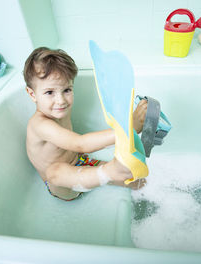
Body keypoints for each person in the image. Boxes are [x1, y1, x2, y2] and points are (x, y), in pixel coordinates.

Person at [23, 47, 148, 201]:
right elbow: (80, 144)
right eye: (50, 92)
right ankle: (109, 172)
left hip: (82, 163)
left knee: (137, 181)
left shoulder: (56, 109)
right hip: (63, 185)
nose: (61, 100)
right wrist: (129, 128)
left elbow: (79, 148)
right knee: (54, 171)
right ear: (32, 94)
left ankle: (118, 175)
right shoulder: (39, 124)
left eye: (67, 90)